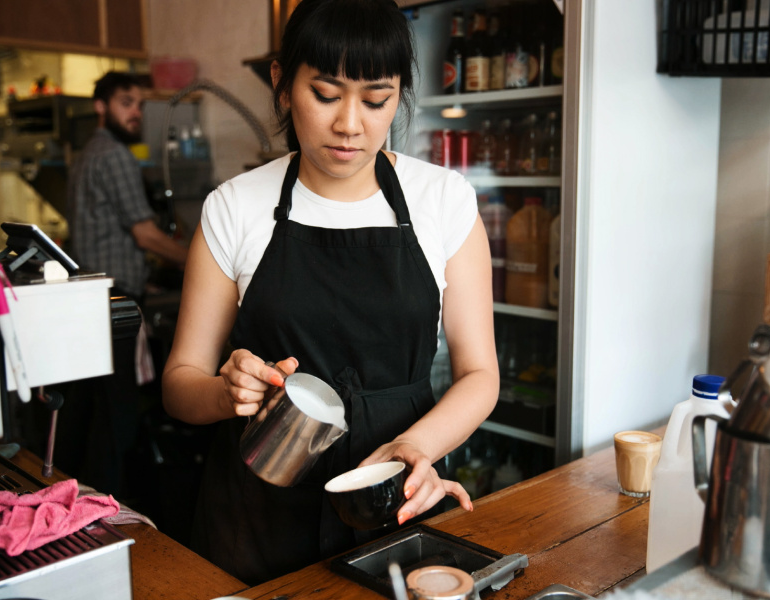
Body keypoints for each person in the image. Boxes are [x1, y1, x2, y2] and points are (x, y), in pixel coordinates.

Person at [162, 0, 499, 585]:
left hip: (393, 497)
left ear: (399, 95)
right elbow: (178, 384)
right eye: (325, 94)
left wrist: (414, 446)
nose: (350, 124)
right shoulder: (235, 207)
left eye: (376, 100)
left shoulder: (444, 201)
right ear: (282, 83)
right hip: (258, 514)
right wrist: (223, 391)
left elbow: (480, 375)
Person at [61, 72, 188, 498]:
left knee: (85, 410)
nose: (135, 112)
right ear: (101, 106)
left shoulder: (86, 154)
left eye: (139, 105)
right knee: (117, 416)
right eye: (125, 103)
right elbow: (146, 235)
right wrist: (203, 262)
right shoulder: (115, 155)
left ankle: (72, 502)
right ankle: (106, 509)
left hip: (87, 296)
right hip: (111, 301)